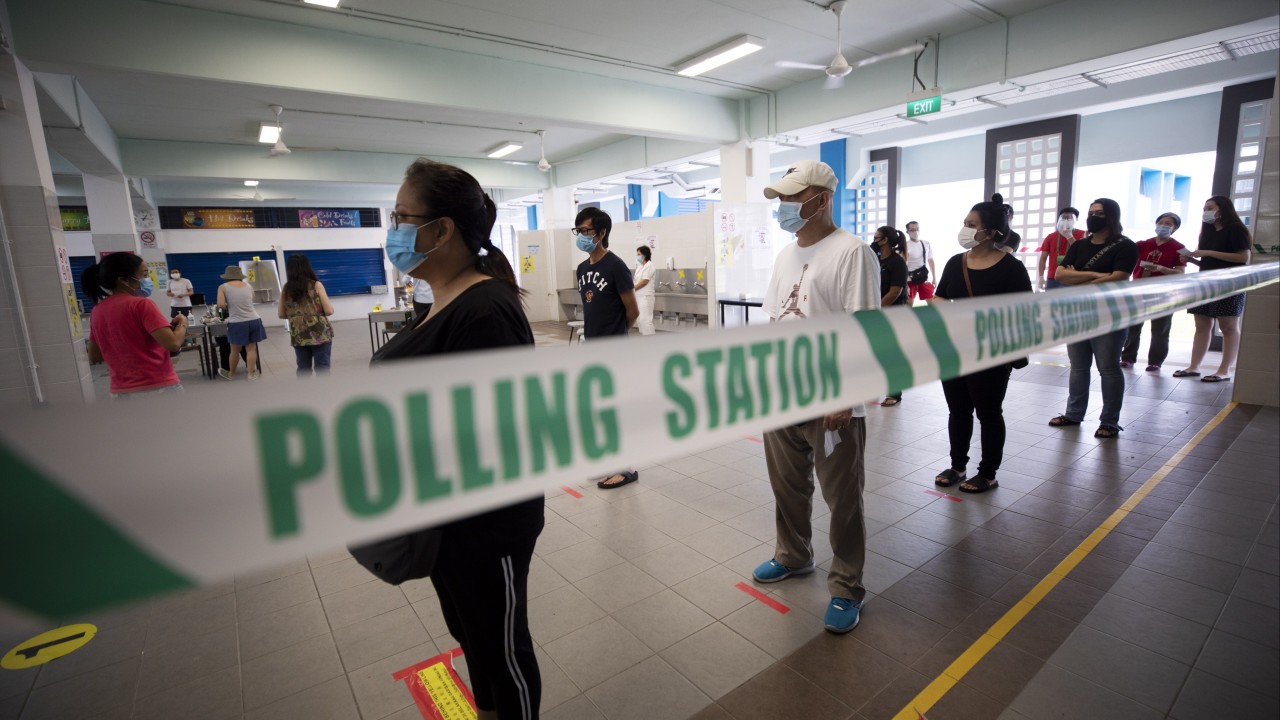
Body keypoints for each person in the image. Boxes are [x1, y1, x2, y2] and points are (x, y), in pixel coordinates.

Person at [371, 158, 544, 720]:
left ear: (442, 229)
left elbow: (500, 428)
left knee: (501, 649)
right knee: (474, 639)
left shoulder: (485, 310)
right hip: (446, 516)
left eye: (402, 216)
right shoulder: (440, 300)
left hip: (486, 523)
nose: (394, 229)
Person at [750, 160, 880, 634]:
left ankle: (846, 586)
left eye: (791, 198)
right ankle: (793, 554)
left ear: (821, 199)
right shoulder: (787, 255)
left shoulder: (852, 252)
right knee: (787, 486)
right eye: (781, 199)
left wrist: (847, 397)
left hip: (831, 398)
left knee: (842, 497)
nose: (783, 208)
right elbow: (774, 322)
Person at [931, 199, 1032, 493]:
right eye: (965, 223)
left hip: (991, 352)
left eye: (971, 225)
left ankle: (988, 473)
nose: (965, 230)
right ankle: (957, 466)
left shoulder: (1011, 269)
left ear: (990, 232)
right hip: (954, 349)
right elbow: (940, 297)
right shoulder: (955, 262)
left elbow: (1022, 314)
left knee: (988, 413)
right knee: (958, 410)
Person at [1048, 199, 1138, 438]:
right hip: (1078, 312)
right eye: (1090, 213)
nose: (1093, 217)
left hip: (1110, 314)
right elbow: (1060, 274)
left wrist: (1080, 279)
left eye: (1099, 213)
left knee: (1108, 368)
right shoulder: (1079, 246)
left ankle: (1109, 421)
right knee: (1078, 367)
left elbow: (1118, 277)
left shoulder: (1125, 246)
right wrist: (1096, 275)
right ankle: (1073, 413)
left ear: (1111, 216)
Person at [573, 207, 641, 489]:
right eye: (578, 231)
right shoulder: (582, 268)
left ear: (602, 233)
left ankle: (626, 468)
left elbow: (632, 310)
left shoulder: (616, 266)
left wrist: (615, 336)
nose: (581, 236)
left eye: (586, 231)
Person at [80, 252, 186, 396]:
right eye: (144, 274)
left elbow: (94, 355)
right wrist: (182, 324)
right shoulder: (141, 305)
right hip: (158, 387)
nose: (147, 279)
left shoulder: (97, 310)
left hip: (120, 392)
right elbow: (173, 343)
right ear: (124, 280)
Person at [1174, 196, 1253, 383]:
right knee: (1202, 326)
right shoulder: (1208, 232)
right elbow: (1210, 260)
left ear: (1223, 209)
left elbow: (1243, 258)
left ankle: (1224, 370)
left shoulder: (1236, 229)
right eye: (1204, 209)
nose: (1206, 212)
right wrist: (1192, 259)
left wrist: (1208, 252)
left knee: (1228, 326)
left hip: (1229, 283)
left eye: (1210, 208)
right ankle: (1194, 367)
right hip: (1205, 282)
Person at [1120, 212, 1186, 371]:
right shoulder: (1142, 244)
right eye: (1161, 222)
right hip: (1139, 290)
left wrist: (1162, 269)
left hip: (1164, 293)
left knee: (1160, 329)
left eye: (1168, 224)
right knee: (1133, 326)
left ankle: (1155, 361)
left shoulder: (1179, 248)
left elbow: (1180, 272)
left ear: (1175, 228)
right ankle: (1128, 357)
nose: (1163, 226)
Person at [277, 254, 336, 377]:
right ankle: (326, 394)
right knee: (322, 368)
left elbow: (281, 314)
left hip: (298, 334)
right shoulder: (316, 285)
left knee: (303, 369)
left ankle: (305, 394)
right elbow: (329, 311)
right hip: (319, 333)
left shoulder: (286, 288)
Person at [875, 225, 909, 407]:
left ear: (885, 240)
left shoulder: (897, 262)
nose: (874, 240)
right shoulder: (878, 260)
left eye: (877, 237)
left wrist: (877, 308)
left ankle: (894, 393)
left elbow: (895, 291)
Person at [216, 265, 266, 380]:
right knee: (251, 349)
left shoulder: (223, 287)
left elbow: (220, 305)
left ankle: (231, 374)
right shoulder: (248, 286)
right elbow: (251, 299)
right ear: (240, 276)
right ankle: (251, 375)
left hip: (237, 322)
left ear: (227, 277)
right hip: (254, 320)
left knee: (234, 351)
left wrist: (230, 306)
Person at [1037, 208, 1085, 289]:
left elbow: (1081, 253)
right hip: (1053, 278)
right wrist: (1041, 277)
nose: (1066, 220)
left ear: (1076, 219)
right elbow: (1043, 258)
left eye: (1069, 218)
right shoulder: (1051, 236)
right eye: (1064, 218)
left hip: (1073, 277)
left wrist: (1070, 237)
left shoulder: (1083, 234)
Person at [904, 221, 935, 302]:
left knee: (932, 304)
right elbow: (903, 265)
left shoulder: (925, 243)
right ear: (907, 232)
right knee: (909, 307)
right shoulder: (905, 245)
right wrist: (904, 283)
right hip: (909, 279)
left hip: (924, 277)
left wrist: (934, 277)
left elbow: (930, 260)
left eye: (917, 229)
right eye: (912, 230)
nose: (916, 231)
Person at [633, 244, 656, 335]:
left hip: (646, 297)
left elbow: (644, 281)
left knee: (645, 320)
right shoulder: (639, 267)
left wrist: (632, 289)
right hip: (638, 296)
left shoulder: (649, 265)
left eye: (639, 254)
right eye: (637, 254)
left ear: (645, 255)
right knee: (640, 320)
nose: (637, 256)